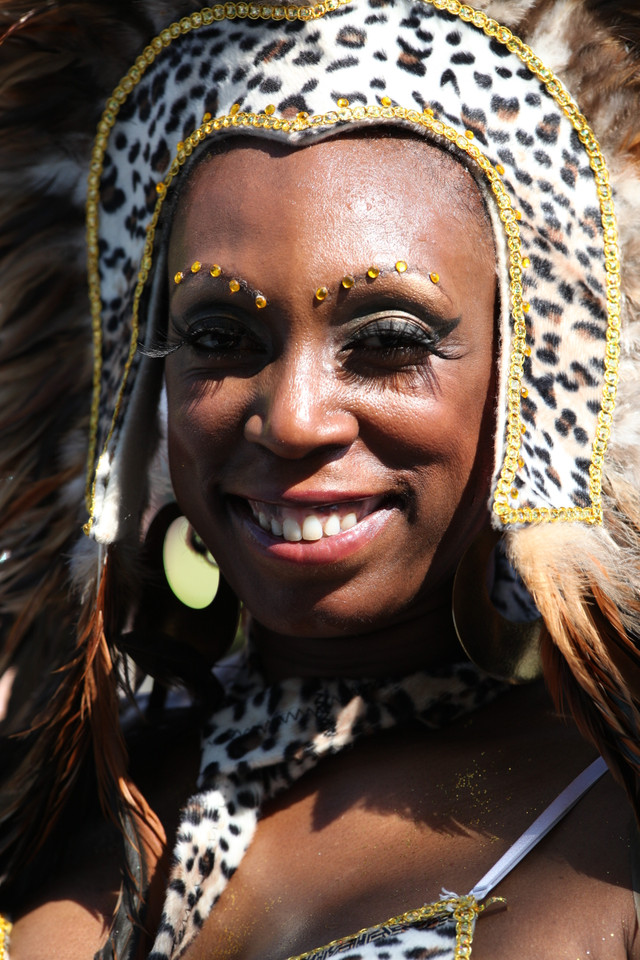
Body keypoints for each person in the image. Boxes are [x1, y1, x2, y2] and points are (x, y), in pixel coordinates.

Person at [1, 1, 639, 958]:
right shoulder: (48, 795)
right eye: (221, 338)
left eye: (387, 343)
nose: (292, 417)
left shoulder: (615, 833)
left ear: (530, 385)